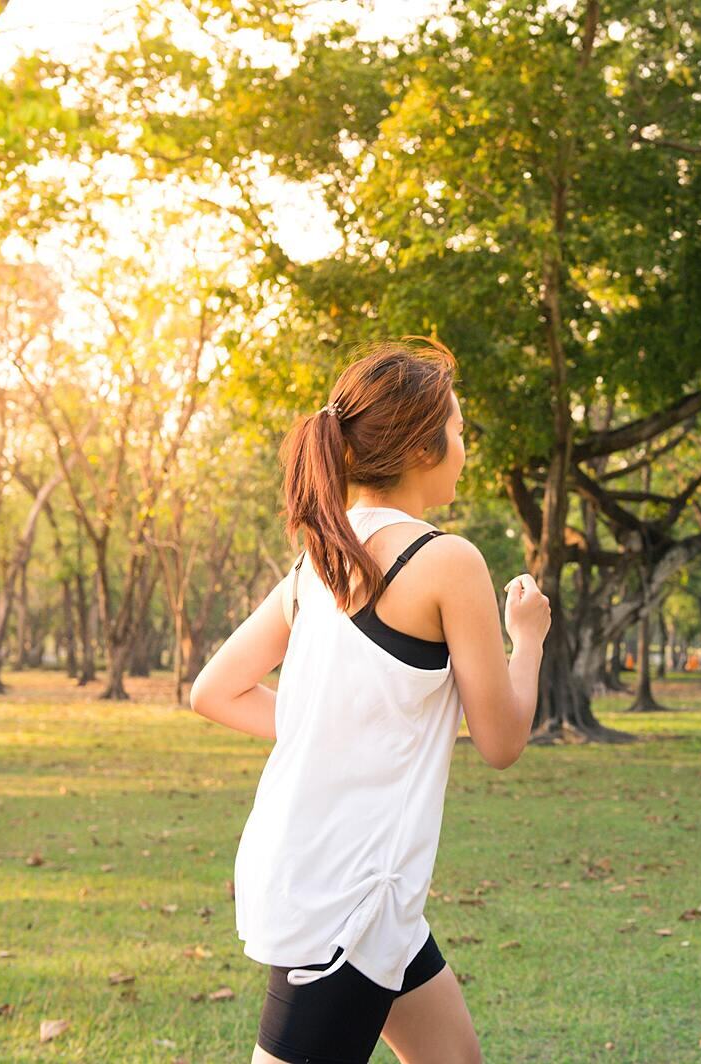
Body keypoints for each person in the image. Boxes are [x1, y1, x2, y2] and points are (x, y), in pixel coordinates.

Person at [189, 336, 551, 1064]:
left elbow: (214, 690)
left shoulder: (318, 560)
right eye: (456, 431)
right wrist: (529, 636)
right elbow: (503, 740)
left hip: (363, 890)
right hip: (344, 902)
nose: (463, 447)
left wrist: (331, 731)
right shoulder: (447, 561)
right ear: (421, 448)